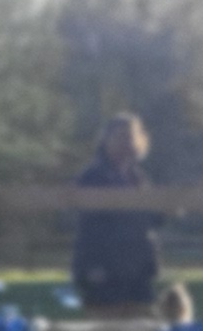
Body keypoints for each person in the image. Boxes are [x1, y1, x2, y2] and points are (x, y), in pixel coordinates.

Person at [70, 112, 163, 310]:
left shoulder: (138, 178)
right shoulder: (93, 177)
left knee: (143, 323)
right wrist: (92, 269)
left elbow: (150, 219)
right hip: (103, 269)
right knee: (106, 324)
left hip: (137, 270)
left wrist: (167, 210)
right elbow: (91, 225)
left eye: (131, 137)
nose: (126, 143)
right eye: (120, 136)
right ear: (106, 140)